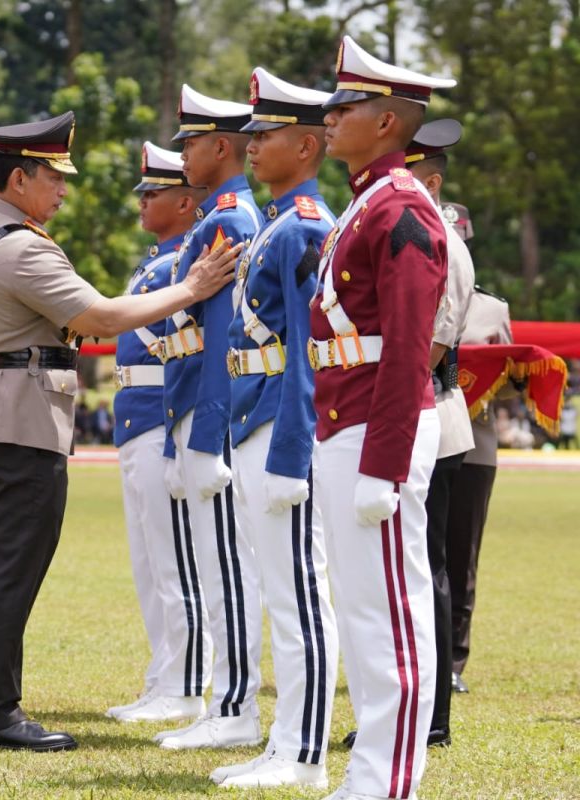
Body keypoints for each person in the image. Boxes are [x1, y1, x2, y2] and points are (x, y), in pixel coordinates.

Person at [0, 109, 241, 752]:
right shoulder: (22, 245)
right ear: (20, 179)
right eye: (54, 177)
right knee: (12, 570)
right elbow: (100, 316)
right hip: (21, 415)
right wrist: (190, 288)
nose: (63, 190)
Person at [312, 36, 454, 800]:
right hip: (347, 418)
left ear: (390, 122)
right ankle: (371, 768)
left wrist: (386, 463)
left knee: (389, 613)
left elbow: (407, 344)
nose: (331, 118)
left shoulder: (400, 207)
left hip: (378, 425)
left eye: (348, 106)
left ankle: (390, 778)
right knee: (364, 609)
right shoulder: (368, 199)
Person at [210, 68, 340, 789]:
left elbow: (305, 352)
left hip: (281, 426)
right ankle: (284, 740)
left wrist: (293, 449)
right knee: (276, 589)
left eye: (265, 135)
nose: (251, 146)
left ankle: (306, 754)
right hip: (251, 416)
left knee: (298, 595)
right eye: (250, 135)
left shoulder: (308, 229)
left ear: (307, 143)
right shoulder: (283, 225)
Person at [156, 84, 264, 752]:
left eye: (191, 143)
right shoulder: (218, 217)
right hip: (196, 406)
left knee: (228, 567)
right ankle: (225, 702)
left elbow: (225, 335)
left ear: (221, 147)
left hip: (213, 413)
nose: (184, 156)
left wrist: (208, 431)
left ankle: (236, 707)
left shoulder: (231, 219)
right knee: (215, 564)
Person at [105, 142, 211, 725]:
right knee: (149, 562)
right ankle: (163, 675)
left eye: (155, 191)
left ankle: (187, 684)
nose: (143, 200)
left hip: (158, 413)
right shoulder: (158, 262)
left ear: (187, 200)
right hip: (134, 414)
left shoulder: (185, 266)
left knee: (175, 561)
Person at [407, 117, 475, 749]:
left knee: (428, 565)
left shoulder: (442, 240)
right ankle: (414, 708)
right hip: (421, 411)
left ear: (429, 178)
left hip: (433, 413)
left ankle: (432, 713)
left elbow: (432, 345)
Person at [445, 285, 512, 694]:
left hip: (475, 443)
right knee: (417, 555)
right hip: (420, 439)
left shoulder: (492, 308)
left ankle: (452, 660)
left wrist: (485, 375)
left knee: (462, 555)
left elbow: (510, 379)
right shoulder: (411, 287)